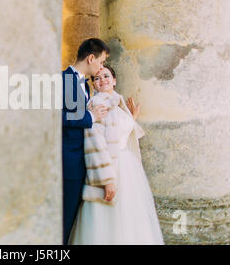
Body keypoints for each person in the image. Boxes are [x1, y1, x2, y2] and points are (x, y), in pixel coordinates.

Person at [68, 64, 164, 245]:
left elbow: (119, 132)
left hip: (127, 167)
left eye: (106, 76)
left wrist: (131, 118)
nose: (102, 80)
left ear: (114, 80)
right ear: (94, 85)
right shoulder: (98, 104)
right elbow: (96, 144)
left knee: (129, 218)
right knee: (108, 219)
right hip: (111, 166)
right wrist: (107, 180)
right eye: (97, 78)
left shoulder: (117, 103)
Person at [62, 38, 109, 245]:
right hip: (67, 162)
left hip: (83, 162)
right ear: (91, 58)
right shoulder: (62, 79)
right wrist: (90, 118)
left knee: (73, 221)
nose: (101, 67)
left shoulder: (86, 86)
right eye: (100, 62)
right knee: (62, 221)